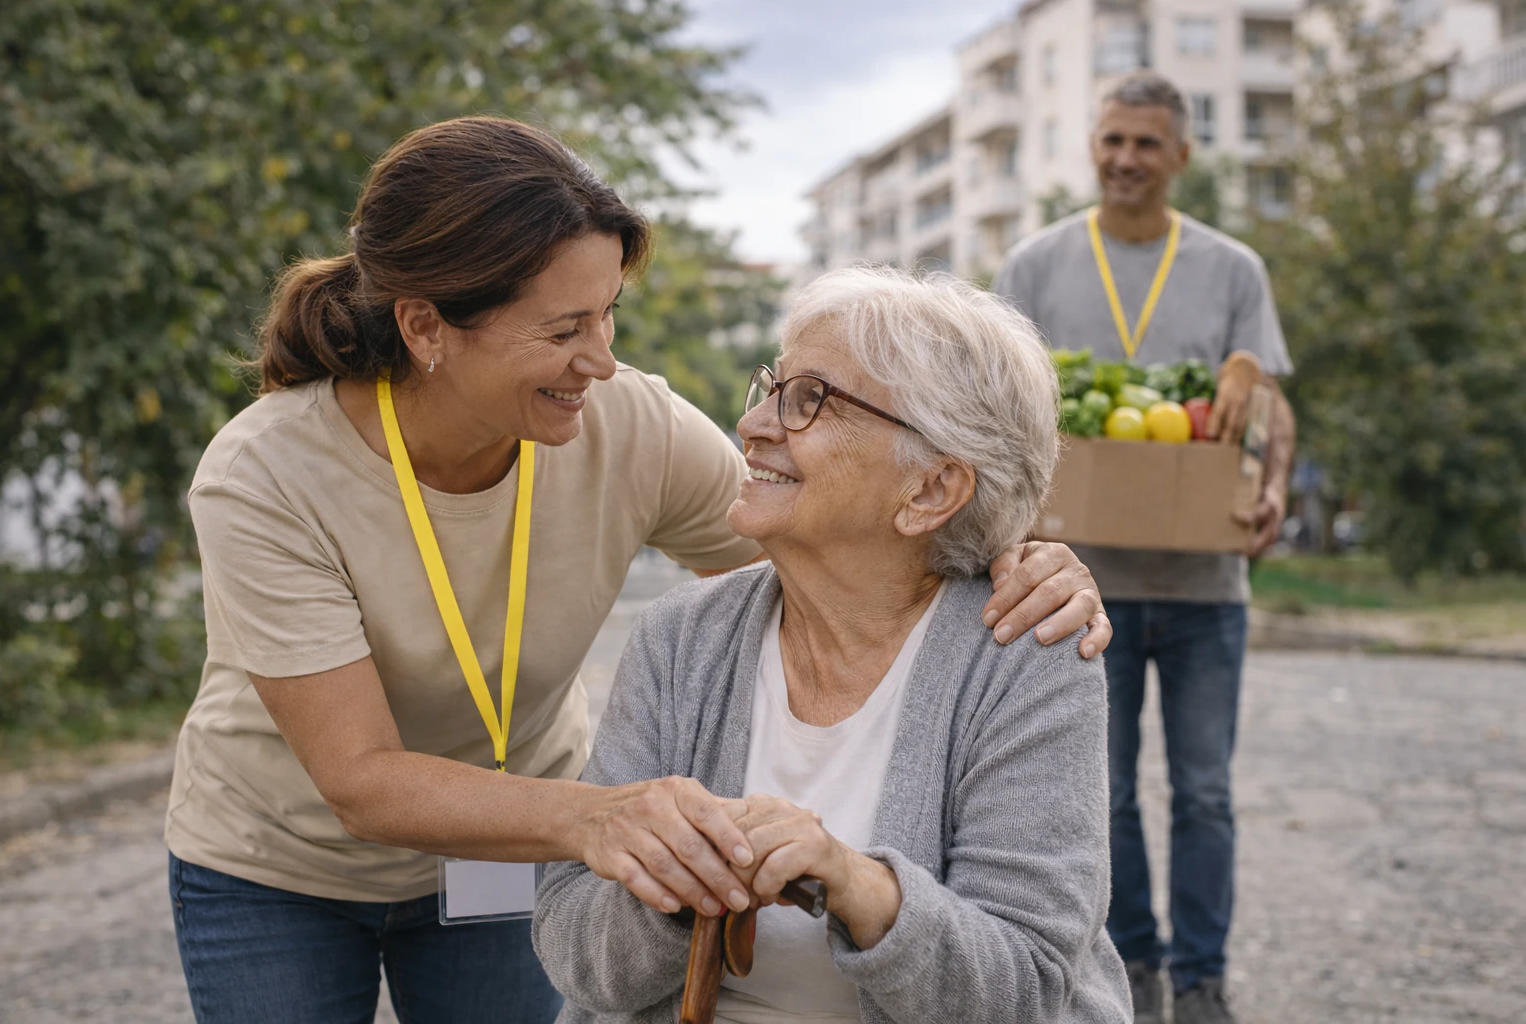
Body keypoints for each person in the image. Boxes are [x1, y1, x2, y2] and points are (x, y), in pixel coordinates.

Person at [164, 116, 1114, 1024]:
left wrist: (1013, 559)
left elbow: (852, 545)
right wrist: (609, 820)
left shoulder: (624, 425)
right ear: (425, 328)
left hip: (514, 840)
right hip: (288, 858)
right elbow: (361, 780)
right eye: (564, 330)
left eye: (608, 315)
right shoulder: (267, 473)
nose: (603, 361)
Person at [534, 266, 1132, 1024]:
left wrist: (854, 884)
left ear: (931, 490)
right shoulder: (682, 635)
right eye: (772, 388)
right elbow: (572, 946)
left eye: (811, 399)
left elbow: (1024, 987)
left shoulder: (1027, 651)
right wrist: (676, 884)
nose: (754, 425)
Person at [994, 72, 1298, 1024]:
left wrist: (1274, 482)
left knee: (1205, 792)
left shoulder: (1232, 268)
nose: (1126, 159)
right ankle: (1136, 969)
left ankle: (1203, 981)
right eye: (1113, 140)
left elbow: (1270, 411)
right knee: (1105, 793)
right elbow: (995, 408)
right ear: (1093, 145)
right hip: (1082, 586)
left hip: (1208, 585)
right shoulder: (1035, 264)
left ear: (1182, 156)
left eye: (1146, 144)